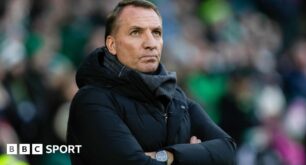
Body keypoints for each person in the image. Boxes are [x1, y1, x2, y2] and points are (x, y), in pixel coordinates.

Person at [66, 0, 236, 164]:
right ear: (112, 45)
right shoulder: (91, 100)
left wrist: (167, 156)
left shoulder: (176, 97)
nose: (150, 43)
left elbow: (228, 150)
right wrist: (196, 157)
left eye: (156, 32)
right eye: (136, 32)